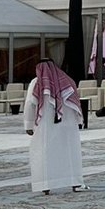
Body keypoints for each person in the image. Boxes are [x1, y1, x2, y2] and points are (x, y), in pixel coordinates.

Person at [24, 60, 83, 195]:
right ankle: (75, 182)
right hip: (67, 127)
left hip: (46, 127)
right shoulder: (67, 81)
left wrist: (29, 124)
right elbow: (76, 103)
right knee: (69, 154)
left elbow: (30, 104)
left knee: (45, 154)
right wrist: (78, 121)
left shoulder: (37, 83)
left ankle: (46, 185)